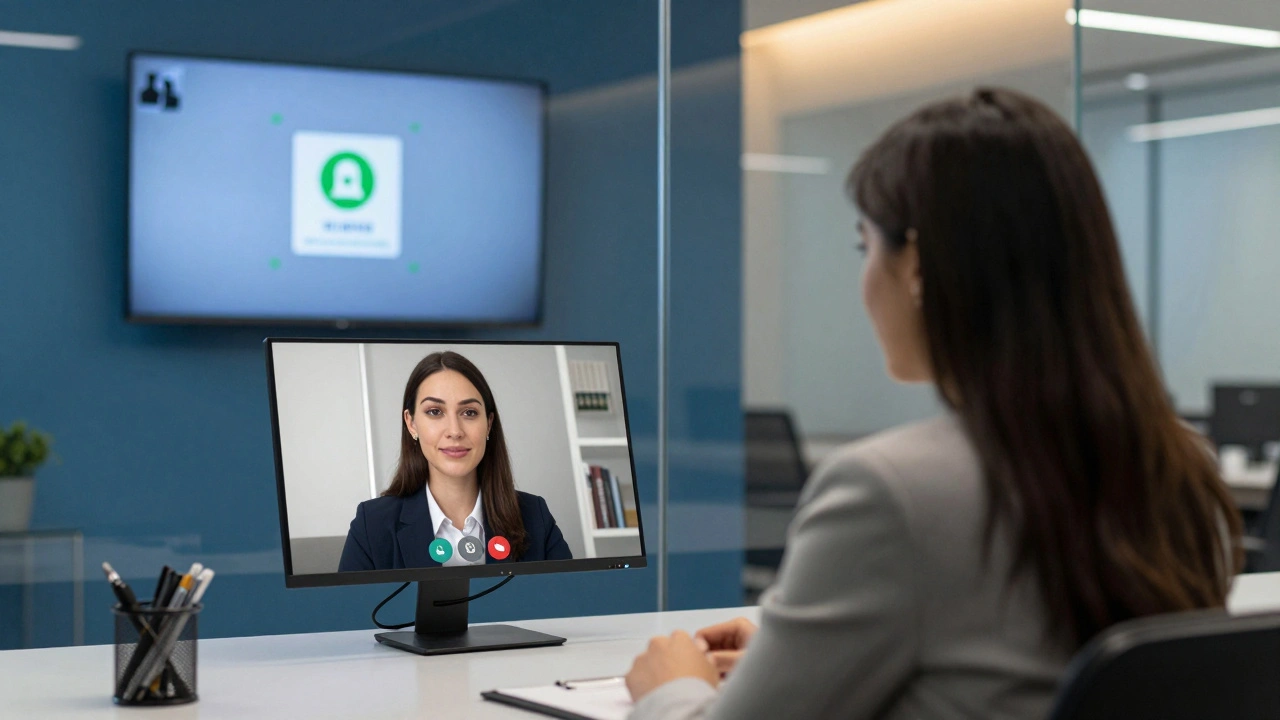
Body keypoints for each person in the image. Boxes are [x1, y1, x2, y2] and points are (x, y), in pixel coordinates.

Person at [625, 88, 1242, 719]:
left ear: (916, 265)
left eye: (865, 248)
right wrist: (795, 660)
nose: (864, 280)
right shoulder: (1179, 469)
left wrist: (672, 686)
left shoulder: (889, 492)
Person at [339, 350, 572, 571]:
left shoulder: (535, 516)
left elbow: (569, 598)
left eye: (469, 412)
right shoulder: (372, 525)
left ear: (489, 424)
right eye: (435, 412)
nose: (454, 431)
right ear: (411, 423)